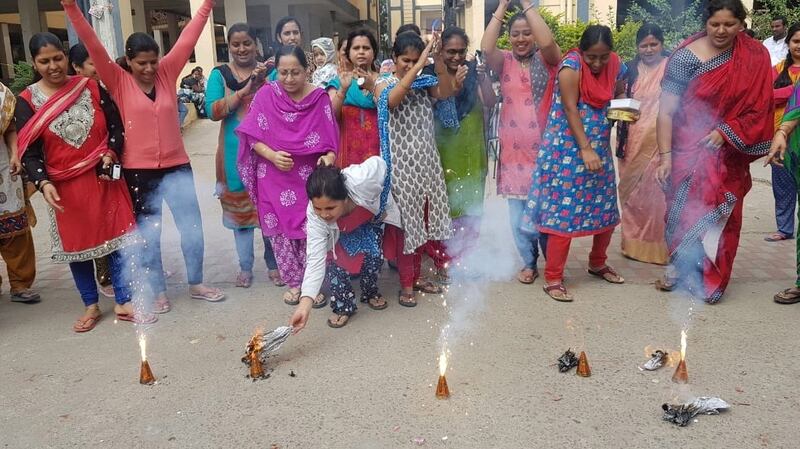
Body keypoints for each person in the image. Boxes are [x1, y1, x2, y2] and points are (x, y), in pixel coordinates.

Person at [64, 0, 226, 313]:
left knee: (191, 228)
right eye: (142, 63)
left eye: (153, 61)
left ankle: (196, 283)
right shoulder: (117, 80)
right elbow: (91, 42)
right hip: (139, 172)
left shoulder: (167, 72)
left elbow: (188, 37)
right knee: (149, 234)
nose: (150, 69)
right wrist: (71, 7)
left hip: (177, 167)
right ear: (129, 61)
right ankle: (158, 290)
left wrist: (207, 4)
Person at [15, 33, 144, 331]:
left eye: (57, 58)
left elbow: (116, 126)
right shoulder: (27, 101)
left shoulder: (90, 86)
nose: (53, 66)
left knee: (117, 240)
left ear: (66, 57)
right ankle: (90, 305)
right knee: (78, 247)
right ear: (34, 64)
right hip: (64, 186)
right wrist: (43, 183)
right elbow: (29, 151)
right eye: (44, 61)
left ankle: (124, 300)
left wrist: (111, 152)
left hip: (104, 177)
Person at [655, 0, 773, 303]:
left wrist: (725, 131)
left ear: (741, 25)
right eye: (714, 24)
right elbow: (666, 111)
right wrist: (665, 157)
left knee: (721, 219)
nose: (721, 31)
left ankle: (710, 281)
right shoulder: (685, 57)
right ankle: (681, 269)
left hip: (728, 157)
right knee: (681, 213)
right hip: (686, 150)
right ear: (705, 23)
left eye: (729, 24)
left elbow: (759, 109)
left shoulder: (754, 55)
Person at [521, 25, 627, 302]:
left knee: (605, 208)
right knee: (562, 213)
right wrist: (585, 148)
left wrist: (624, 112)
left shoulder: (616, 65)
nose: (597, 63)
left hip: (598, 149)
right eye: (592, 56)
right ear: (582, 51)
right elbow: (570, 108)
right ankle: (553, 277)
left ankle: (598, 263)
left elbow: (617, 96)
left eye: (603, 57)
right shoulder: (571, 66)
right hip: (565, 150)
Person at [236, 45, 337, 307]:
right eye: (283, 73)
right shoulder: (266, 94)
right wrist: (272, 155)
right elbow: (251, 135)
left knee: (310, 232)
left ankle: (312, 285)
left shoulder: (319, 99)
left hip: (307, 179)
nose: (289, 79)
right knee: (280, 234)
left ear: (307, 70)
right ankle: (294, 283)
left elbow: (331, 142)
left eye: (295, 72)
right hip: (273, 175)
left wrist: (328, 159)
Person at [480, 0, 561, 285]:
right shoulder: (504, 61)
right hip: (514, 153)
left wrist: (527, 4)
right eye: (515, 34)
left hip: (545, 151)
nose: (521, 39)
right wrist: (503, 5)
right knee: (517, 215)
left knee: (546, 211)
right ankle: (528, 262)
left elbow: (548, 42)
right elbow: (486, 48)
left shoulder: (547, 59)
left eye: (527, 33)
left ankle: (553, 261)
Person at [374, 31, 456, 306]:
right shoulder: (383, 82)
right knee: (407, 227)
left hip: (426, 163)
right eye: (405, 61)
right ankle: (406, 285)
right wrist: (420, 64)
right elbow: (392, 101)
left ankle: (417, 277)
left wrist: (437, 60)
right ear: (394, 58)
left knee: (424, 223)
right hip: (400, 168)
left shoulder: (424, 82)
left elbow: (446, 91)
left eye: (414, 60)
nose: (410, 66)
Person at [206, 23, 283, 289]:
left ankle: (274, 265)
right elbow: (212, 111)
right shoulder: (220, 75)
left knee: (270, 211)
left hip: (266, 154)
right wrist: (244, 90)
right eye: (236, 44)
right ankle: (245, 267)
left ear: (255, 44)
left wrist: (264, 81)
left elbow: (283, 104)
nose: (241, 49)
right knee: (241, 217)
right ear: (229, 47)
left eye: (247, 43)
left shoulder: (271, 71)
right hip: (232, 155)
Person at [289, 158, 401, 329]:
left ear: (345, 199)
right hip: (340, 232)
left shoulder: (361, 179)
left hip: (368, 221)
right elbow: (315, 260)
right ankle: (343, 306)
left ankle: (370, 292)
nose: (324, 215)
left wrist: (385, 204)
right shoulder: (314, 215)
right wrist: (304, 306)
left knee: (373, 260)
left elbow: (380, 163)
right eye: (318, 208)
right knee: (336, 267)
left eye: (330, 208)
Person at [433, 27, 495, 275]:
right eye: (450, 51)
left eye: (461, 51)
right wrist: (455, 85)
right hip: (444, 150)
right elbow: (438, 100)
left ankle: (468, 259)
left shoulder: (472, 72)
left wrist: (482, 77)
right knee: (445, 205)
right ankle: (445, 262)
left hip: (472, 150)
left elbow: (490, 101)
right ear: (441, 51)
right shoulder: (432, 73)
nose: (456, 57)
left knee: (471, 206)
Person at [616, 24, 670, 264]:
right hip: (630, 141)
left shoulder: (672, 68)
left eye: (653, 44)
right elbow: (618, 98)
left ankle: (657, 249)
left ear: (661, 44)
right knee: (633, 196)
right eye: (643, 45)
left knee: (657, 196)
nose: (648, 49)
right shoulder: (628, 69)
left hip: (660, 142)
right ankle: (631, 245)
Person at [67, 42, 117, 298]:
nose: (98, 67)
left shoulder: (102, 89)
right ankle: (104, 276)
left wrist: (112, 151)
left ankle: (124, 271)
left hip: (111, 161)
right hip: (82, 172)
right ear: (76, 67)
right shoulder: (67, 97)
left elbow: (116, 124)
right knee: (94, 223)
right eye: (91, 63)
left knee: (115, 218)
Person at [0, 82, 39, 304]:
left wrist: (16, 155)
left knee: (14, 228)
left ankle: (20, 284)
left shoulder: (2, 94)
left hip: (4, 169)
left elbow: (10, 129)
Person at [765, 24, 800, 243]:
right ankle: (784, 228)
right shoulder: (777, 69)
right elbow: (765, 96)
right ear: (788, 43)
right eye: (796, 41)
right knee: (783, 186)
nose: (799, 46)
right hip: (780, 138)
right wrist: (792, 92)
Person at [327, 29, 381, 168]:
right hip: (348, 150)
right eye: (356, 48)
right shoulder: (339, 82)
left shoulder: (384, 80)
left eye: (366, 48)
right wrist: (343, 89)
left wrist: (373, 87)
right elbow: (330, 115)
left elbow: (390, 107)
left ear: (374, 52)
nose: (361, 52)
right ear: (349, 53)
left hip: (379, 148)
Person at [267, 17, 314, 81]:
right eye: (287, 33)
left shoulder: (313, 59)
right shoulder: (271, 63)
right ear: (279, 37)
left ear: (301, 35)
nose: (292, 38)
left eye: (295, 32)